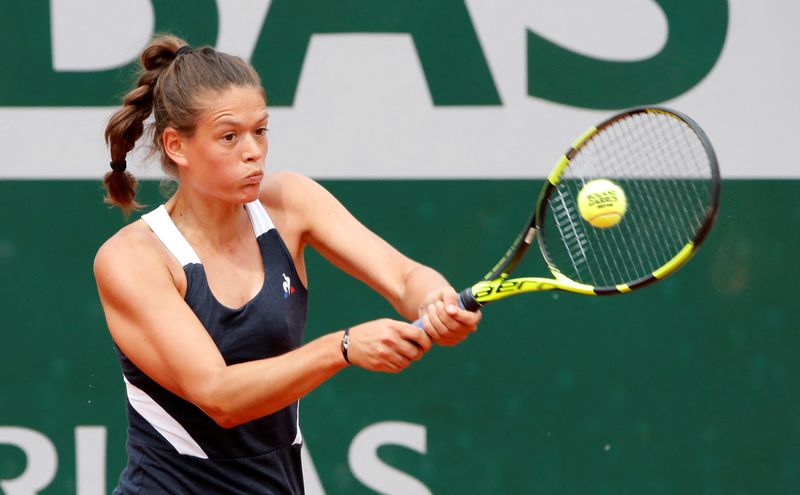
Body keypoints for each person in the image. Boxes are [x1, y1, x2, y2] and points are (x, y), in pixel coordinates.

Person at [93, 35, 481, 494]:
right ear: (176, 146)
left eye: (260, 130)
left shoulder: (290, 203)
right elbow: (219, 396)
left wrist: (434, 301)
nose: (253, 150)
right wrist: (342, 347)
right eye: (229, 136)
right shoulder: (132, 258)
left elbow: (403, 276)